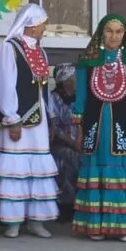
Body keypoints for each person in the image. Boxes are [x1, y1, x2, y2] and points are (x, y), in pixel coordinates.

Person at [71, 14, 126, 242]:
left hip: (125, 126)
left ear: (125, 34)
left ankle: (124, 226)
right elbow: (81, 99)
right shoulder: (88, 61)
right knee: (96, 169)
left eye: (119, 32)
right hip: (94, 127)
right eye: (109, 31)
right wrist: (78, 130)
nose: (114, 36)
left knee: (121, 168)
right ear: (101, 33)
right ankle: (96, 225)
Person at [0, 3, 59, 239]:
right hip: (16, 120)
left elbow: (43, 90)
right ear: (32, 25)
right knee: (15, 171)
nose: (45, 28)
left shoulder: (40, 51)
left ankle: (36, 221)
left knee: (37, 171)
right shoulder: (10, 48)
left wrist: (50, 117)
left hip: (38, 123)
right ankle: (13, 222)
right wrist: (11, 118)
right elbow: (7, 83)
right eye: (43, 23)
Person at [49, 63, 81, 217]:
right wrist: (73, 143)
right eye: (74, 77)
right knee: (70, 156)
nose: (77, 79)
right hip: (60, 143)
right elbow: (55, 128)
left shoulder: (80, 98)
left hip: (79, 141)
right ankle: (67, 204)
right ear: (65, 80)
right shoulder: (53, 98)